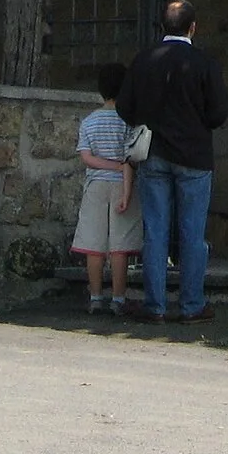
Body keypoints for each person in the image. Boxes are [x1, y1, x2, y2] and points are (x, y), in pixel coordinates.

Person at [116, 0, 228, 324]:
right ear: (193, 27)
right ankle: (192, 304)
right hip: (194, 156)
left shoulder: (143, 60)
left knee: (155, 233)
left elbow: (125, 107)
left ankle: (155, 306)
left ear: (162, 27)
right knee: (192, 234)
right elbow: (219, 111)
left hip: (153, 154)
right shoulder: (204, 63)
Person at [71, 61, 140, 316]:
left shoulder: (89, 122)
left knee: (94, 244)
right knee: (120, 246)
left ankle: (96, 297)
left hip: (95, 186)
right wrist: (124, 181)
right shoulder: (128, 122)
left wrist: (108, 167)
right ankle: (118, 300)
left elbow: (86, 157)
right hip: (121, 184)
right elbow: (130, 158)